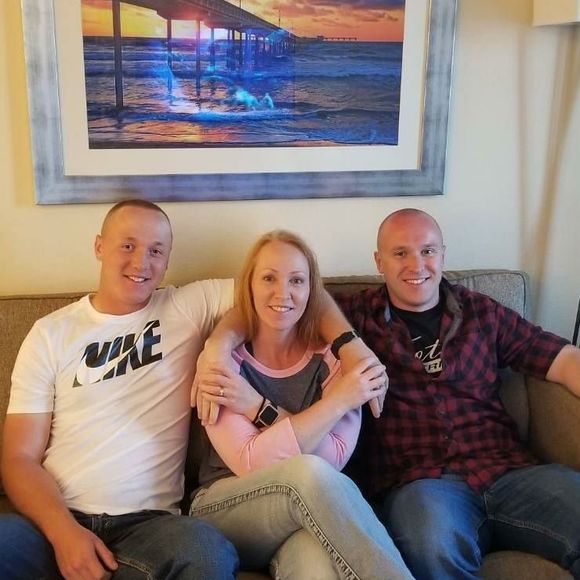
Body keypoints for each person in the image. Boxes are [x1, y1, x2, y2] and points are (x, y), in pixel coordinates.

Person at [0, 200, 240, 579]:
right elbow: (18, 458)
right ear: (99, 247)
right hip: (56, 519)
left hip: (150, 527)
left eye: (156, 251)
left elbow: (283, 289)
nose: (141, 262)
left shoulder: (186, 307)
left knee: (208, 552)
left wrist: (219, 344)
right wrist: (64, 534)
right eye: (128, 245)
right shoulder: (51, 333)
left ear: (167, 259)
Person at [336, 208, 580, 580]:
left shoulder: (482, 313)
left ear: (443, 255)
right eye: (400, 253)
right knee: (429, 543)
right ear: (379, 262)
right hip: (422, 484)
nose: (417, 264)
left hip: (509, 471)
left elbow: (562, 359)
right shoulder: (356, 317)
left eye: (428, 251)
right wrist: (344, 340)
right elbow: (298, 304)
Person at [190, 230, 413, 580]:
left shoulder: (336, 361)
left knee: (317, 570)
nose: (283, 293)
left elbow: (332, 460)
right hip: (224, 509)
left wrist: (257, 407)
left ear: (312, 291)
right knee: (307, 473)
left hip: (303, 512)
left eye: (296, 280)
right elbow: (253, 462)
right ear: (249, 286)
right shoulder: (223, 362)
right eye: (269, 278)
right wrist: (339, 401)